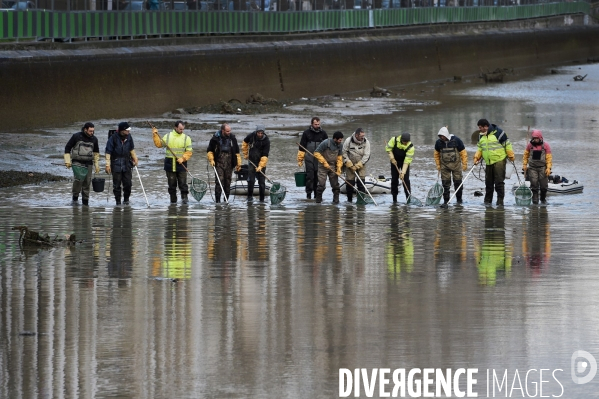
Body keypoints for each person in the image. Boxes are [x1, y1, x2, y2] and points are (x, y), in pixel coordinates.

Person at [473, 119, 515, 206]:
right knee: (488, 183)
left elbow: (507, 144)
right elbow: (480, 148)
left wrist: (510, 154)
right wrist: (477, 157)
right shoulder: (481, 136)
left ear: (485, 126)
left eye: (480, 127)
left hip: (499, 160)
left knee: (499, 183)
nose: (479, 129)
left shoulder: (498, 132)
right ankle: (487, 202)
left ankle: (500, 202)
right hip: (488, 162)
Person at [152, 121, 193, 204]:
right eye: (180, 129)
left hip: (181, 164)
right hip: (170, 165)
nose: (182, 131)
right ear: (175, 127)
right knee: (172, 186)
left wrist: (183, 158)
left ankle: (185, 202)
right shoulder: (168, 136)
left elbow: (189, 151)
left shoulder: (186, 138)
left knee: (183, 185)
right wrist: (155, 135)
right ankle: (173, 203)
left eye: (183, 129)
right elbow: (159, 144)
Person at [64, 122, 100, 206]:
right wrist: (67, 161)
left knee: (87, 183)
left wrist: (96, 165)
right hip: (77, 163)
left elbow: (96, 153)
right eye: (90, 131)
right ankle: (75, 199)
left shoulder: (94, 139)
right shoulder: (76, 136)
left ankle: (85, 203)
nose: (92, 133)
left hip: (89, 163)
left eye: (93, 131)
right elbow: (67, 148)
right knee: (78, 181)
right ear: (85, 129)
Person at [105, 122, 138, 206]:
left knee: (128, 184)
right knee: (116, 186)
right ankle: (118, 202)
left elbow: (131, 149)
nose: (128, 132)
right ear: (122, 130)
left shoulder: (129, 137)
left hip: (127, 164)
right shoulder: (113, 138)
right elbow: (108, 152)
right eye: (127, 130)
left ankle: (126, 200)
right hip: (115, 164)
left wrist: (135, 158)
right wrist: (107, 165)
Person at [207, 123, 241, 203]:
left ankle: (226, 201)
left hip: (229, 165)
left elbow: (237, 152)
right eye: (227, 131)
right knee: (219, 182)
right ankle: (217, 202)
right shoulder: (215, 139)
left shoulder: (233, 138)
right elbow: (209, 151)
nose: (229, 132)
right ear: (223, 131)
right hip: (218, 164)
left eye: (230, 131)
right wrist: (211, 159)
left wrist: (238, 163)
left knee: (227, 183)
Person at [434, 126, 468, 204]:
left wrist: (464, 164)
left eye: (443, 136)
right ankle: (446, 201)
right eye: (440, 136)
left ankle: (459, 200)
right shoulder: (438, 143)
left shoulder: (456, 140)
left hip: (456, 166)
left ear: (446, 135)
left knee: (458, 183)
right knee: (445, 185)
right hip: (444, 167)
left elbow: (463, 152)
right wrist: (438, 165)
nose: (441, 137)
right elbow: (436, 154)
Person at [297, 117, 328, 199]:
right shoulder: (306, 133)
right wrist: (300, 159)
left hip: (319, 159)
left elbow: (327, 148)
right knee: (310, 177)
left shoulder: (323, 134)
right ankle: (308, 195)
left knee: (317, 178)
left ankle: (316, 195)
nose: (317, 126)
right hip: (309, 158)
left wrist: (325, 160)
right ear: (312, 124)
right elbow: (301, 147)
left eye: (318, 124)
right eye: (315, 124)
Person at [522, 129, 552, 204]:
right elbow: (525, 156)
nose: (535, 140)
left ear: (540, 138)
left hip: (543, 168)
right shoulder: (529, 145)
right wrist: (525, 165)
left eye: (537, 138)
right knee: (534, 185)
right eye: (534, 138)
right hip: (532, 168)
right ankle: (535, 200)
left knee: (543, 186)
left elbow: (549, 158)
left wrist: (548, 168)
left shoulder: (546, 146)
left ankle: (543, 199)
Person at [313, 131, 344, 204]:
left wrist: (339, 168)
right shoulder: (326, 143)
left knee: (335, 185)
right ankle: (318, 201)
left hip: (333, 166)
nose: (341, 141)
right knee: (321, 185)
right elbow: (316, 153)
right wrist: (324, 162)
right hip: (323, 166)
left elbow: (339, 157)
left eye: (341, 139)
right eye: (340, 140)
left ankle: (336, 202)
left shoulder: (340, 145)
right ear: (335, 139)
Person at [242, 125, 270, 203]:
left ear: (263, 133)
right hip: (251, 161)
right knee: (251, 180)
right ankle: (249, 198)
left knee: (261, 182)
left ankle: (262, 200)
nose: (260, 134)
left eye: (261, 133)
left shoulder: (266, 141)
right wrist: (245, 153)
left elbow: (265, 155)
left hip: (261, 162)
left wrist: (261, 166)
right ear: (256, 132)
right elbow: (244, 143)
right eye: (258, 133)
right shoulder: (251, 136)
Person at [342, 127, 371, 202]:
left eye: (363, 136)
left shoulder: (366, 142)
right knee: (350, 184)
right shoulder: (348, 141)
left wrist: (359, 165)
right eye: (361, 136)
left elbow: (367, 155)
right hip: (349, 165)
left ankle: (361, 200)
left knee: (361, 184)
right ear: (357, 135)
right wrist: (348, 162)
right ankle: (349, 201)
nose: (363, 138)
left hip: (361, 165)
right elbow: (344, 153)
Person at [386, 132, 414, 203]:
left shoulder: (410, 147)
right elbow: (388, 149)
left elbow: (407, 161)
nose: (405, 143)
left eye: (406, 142)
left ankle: (408, 198)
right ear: (401, 139)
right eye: (404, 141)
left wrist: (403, 172)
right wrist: (392, 158)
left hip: (404, 162)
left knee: (406, 180)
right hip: (394, 161)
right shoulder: (394, 140)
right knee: (394, 179)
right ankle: (394, 199)